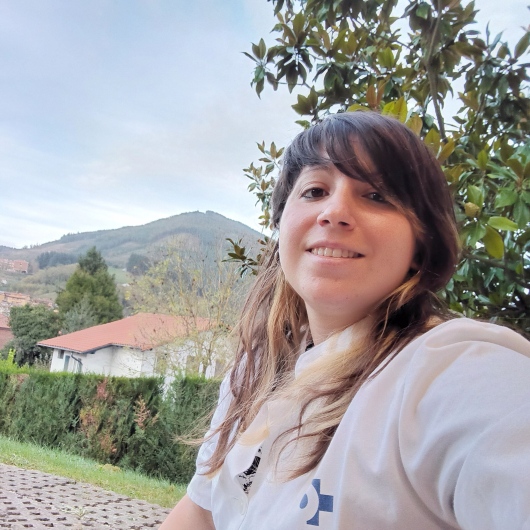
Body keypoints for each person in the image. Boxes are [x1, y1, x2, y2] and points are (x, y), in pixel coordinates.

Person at [159, 111, 530, 530]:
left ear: (421, 245)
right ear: (281, 226)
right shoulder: (254, 371)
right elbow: (202, 511)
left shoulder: (450, 372)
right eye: (315, 191)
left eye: (376, 195)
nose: (334, 212)